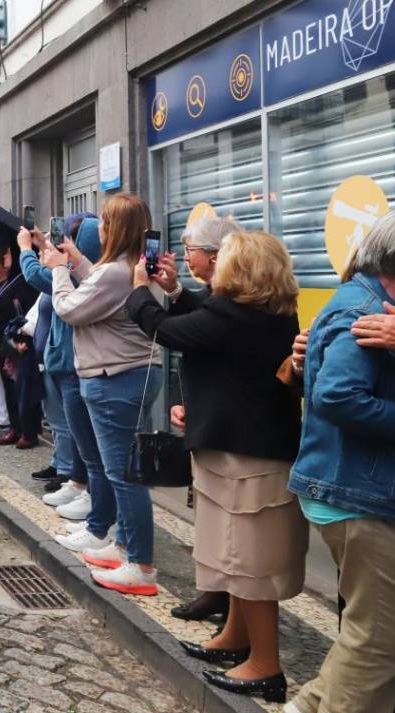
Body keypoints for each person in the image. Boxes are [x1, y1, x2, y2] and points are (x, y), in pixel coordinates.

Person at [281, 208, 395, 713]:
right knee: (383, 637)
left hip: (393, 494)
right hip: (373, 496)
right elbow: (337, 396)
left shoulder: (393, 308)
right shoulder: (370, 311)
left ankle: (316, 703)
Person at [126, 231, 305, 702]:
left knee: (250, 562)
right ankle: (236, 638)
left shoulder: (234, 317)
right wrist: (176, 293)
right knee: (233, 554)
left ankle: (266, 665)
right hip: (238, 450)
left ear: (239, 269)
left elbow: (166, 330)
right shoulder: (267, 313)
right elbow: (202, 325)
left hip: (248, 457)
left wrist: (140, 291)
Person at [42, 193, 162, 596]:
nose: (102, 229)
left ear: (117, 229)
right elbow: (99, 282)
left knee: (124, 475)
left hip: (115, 378)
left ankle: (140, 564)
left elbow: (72, 308)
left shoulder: (117, 271)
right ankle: (125, 546)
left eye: (107, 222)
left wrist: (60, 270)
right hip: (127, 375)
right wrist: (74, 259)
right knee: (125, 470)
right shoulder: (127, 267)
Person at [146, 215, 246, 623]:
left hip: (230, 429)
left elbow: (182, 329)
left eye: (191, 251)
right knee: (209, 515)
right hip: (210, 418)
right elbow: (200, 312)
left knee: (227, 524)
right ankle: (214, 591)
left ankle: (226, 598)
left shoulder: (234, 299)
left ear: (215, 256)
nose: (186, 257)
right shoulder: (216, 294)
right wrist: (173, 289)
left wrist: (142, 291)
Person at [18, 216, 103, 528]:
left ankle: (93, 501)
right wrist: (42, 244)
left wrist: (26, 249)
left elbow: (39, 276)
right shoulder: (87, 271)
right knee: (82, 438)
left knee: (89, 443)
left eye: (70, 240)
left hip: (75, 365)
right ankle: (82, 486)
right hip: (66, 363)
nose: (64, 246)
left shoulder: (89, 275)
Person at [0, 245, 40, 448]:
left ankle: (28, 429)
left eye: (8, 253)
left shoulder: (23, 279)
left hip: (21, 339)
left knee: (23, 387)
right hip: (5, 338)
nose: (4, 258)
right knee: (9, 387)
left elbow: (10, 304)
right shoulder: (9, 281)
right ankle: (16, 426)